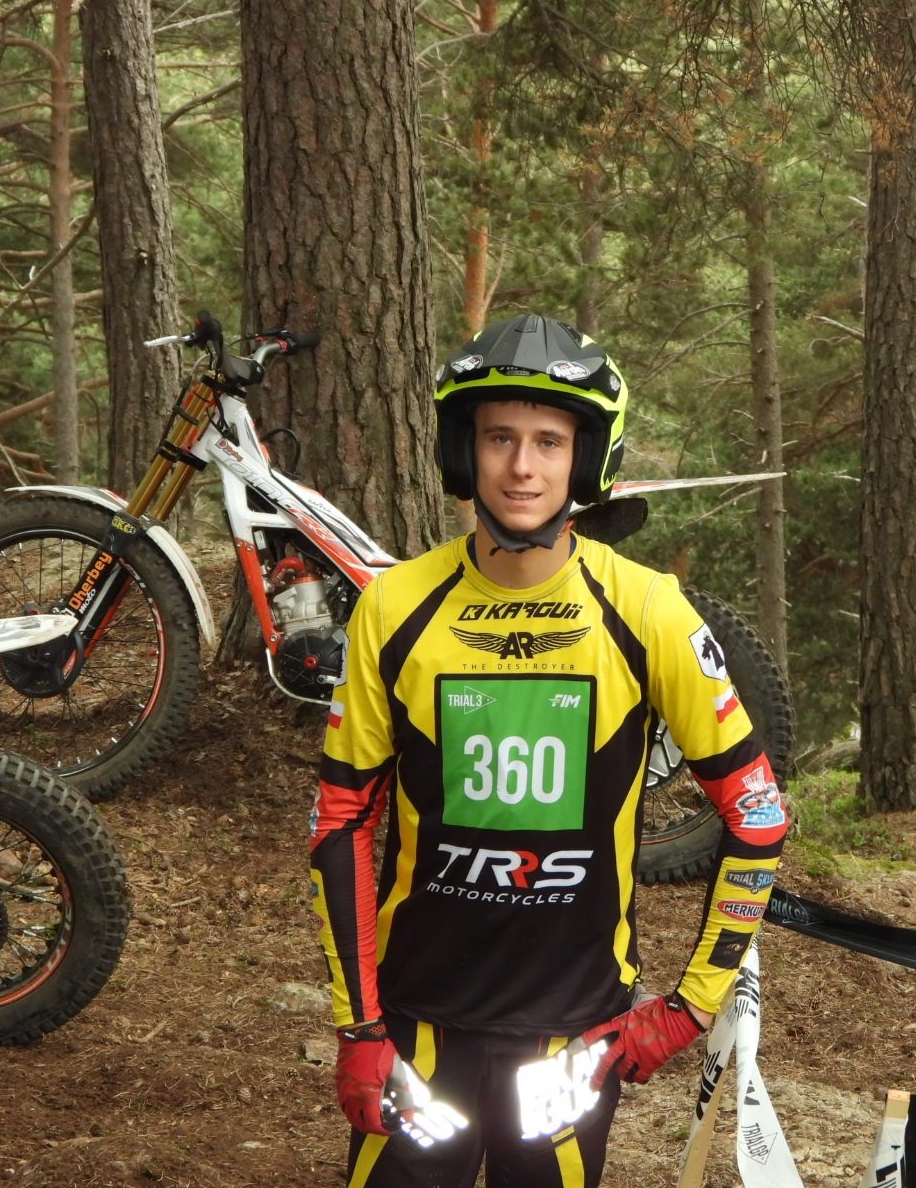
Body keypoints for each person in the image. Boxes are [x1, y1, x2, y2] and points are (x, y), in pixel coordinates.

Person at [308, 313, 788, 1188]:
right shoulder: (392, 607)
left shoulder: (649, 610)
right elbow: (340, 820)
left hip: (571, 1041)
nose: (522, 467)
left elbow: (757, 815)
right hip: (417, 1030)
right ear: (465, 450)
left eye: (548, 442)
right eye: (499, 438)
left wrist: (688, 1009)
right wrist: (359, 1027)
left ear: (585, 459)